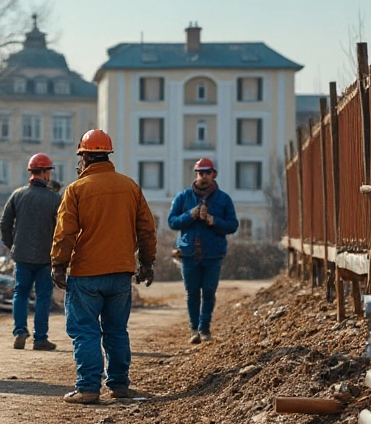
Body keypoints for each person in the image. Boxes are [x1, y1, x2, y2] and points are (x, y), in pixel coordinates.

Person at [51, 129, 157, 404]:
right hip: (121, 273)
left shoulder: (75, 190)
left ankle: (88, 388)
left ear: (84, 157)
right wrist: (146, 262)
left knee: (86, 331)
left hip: (86, 274)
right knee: (116, 330)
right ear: (107, 155)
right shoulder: (130, 186)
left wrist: (58, 265)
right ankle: (120, 385)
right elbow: (146, 228)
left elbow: (65, 233)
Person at [168, 157, 238, 344]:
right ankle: (193, 330)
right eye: (200, 173)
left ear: (214, 174)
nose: (204, 177)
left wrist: (213, 221)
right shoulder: (183, 197)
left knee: (208, 291)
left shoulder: (224, 199)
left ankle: (204, 328)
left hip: (213, 254)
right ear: (196, 174)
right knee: (192, 293)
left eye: (207, 173)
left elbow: (233, 225)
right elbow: (172, 221)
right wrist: (190, 215)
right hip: (189, 252)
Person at [0, 153, 62, 351]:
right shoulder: (55, 199)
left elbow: (4, 223)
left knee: (20, 293)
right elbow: (63, 228)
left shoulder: (18, 195)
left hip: (22, 256)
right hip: (45, 257)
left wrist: (12, 244)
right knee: (43, 296)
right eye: (48, 172)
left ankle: (19, 332)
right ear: (43, 173)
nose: (49, 176)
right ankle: (40, 338)